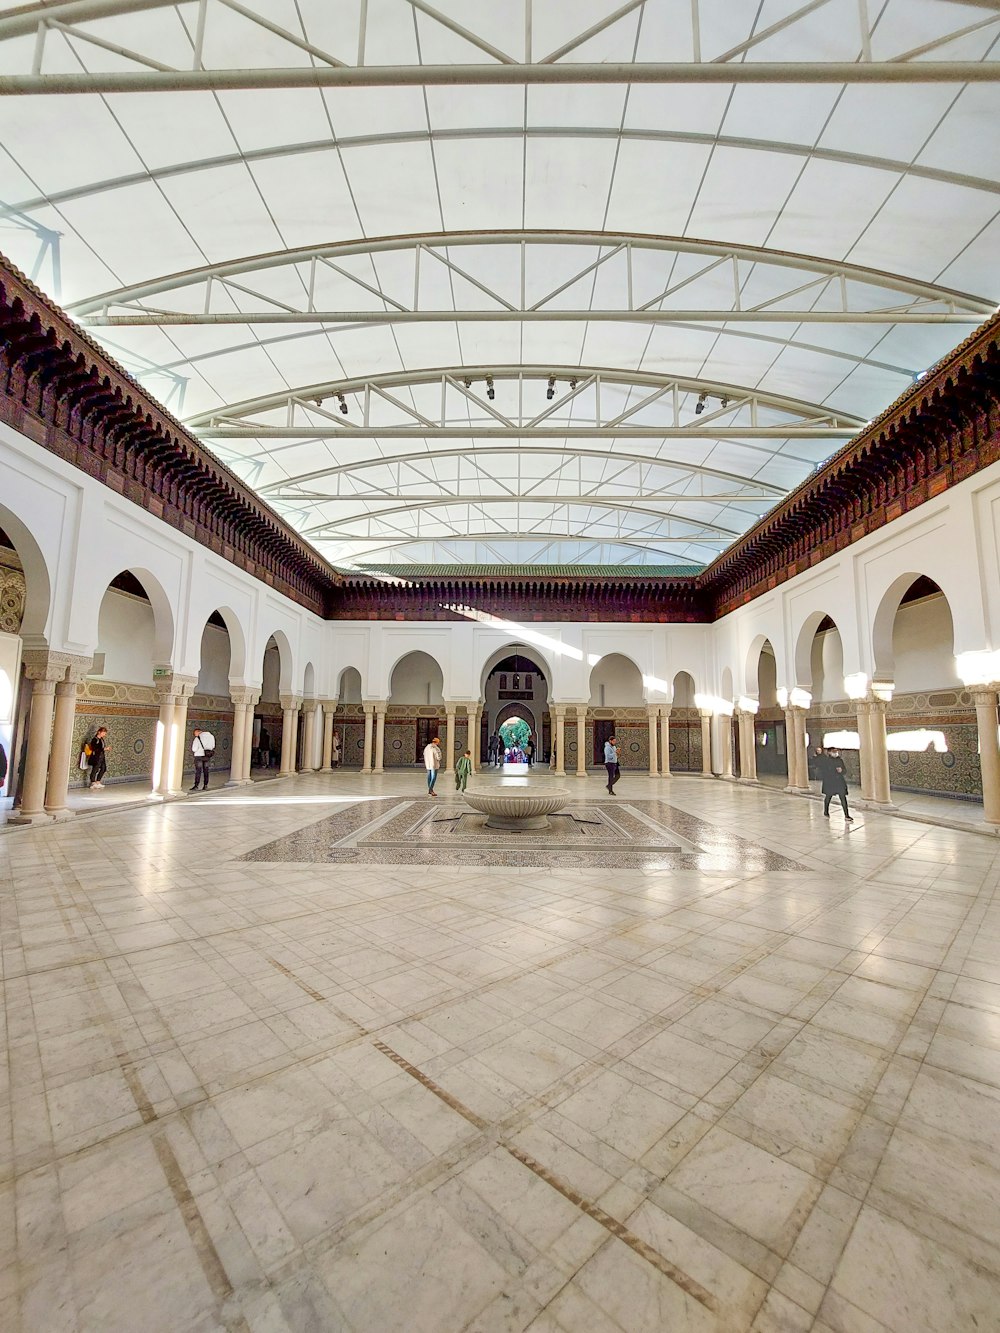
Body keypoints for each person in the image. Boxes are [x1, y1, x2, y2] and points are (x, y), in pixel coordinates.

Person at [821, 747, 853, 821]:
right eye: (833, 751)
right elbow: (824, 771)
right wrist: (834, 771)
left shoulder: (840, 760)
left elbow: (844, 770)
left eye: (836, 751)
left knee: (843, 797)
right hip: (830, 782)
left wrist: (841, 771)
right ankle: (826, 811)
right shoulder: (826, 761)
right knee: (828, 796)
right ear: (829, 752)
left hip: (839, 781)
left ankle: (846, 815)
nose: (835, 753)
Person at [190, 726, 215, 792]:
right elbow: (213, 746)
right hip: (207, 756)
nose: (195, 735)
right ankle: (205, 785)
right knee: (206, 770)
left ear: (198, 732)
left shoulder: (197, 738)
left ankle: (196, 785)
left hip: (199, 756)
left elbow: (194, 749)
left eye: (195, 733)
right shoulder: (211, 736)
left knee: (198, 771)